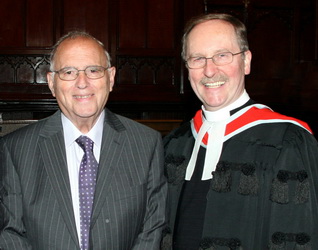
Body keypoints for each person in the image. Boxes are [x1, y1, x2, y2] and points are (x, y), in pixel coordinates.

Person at [161, 13, 318, 249]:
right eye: (197, 58)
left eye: (222, 56)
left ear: (246, 62)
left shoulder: (286, 141)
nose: (209, 70)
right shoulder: (176, 143)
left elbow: (300, 235)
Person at [0, 31, 167, 250]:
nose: (82, 82)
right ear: (51, 82)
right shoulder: (15, 150)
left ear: (111, 78)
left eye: (94, 70)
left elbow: (153, 228)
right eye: (68, 72)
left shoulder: (146, 144)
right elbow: (10, 232)